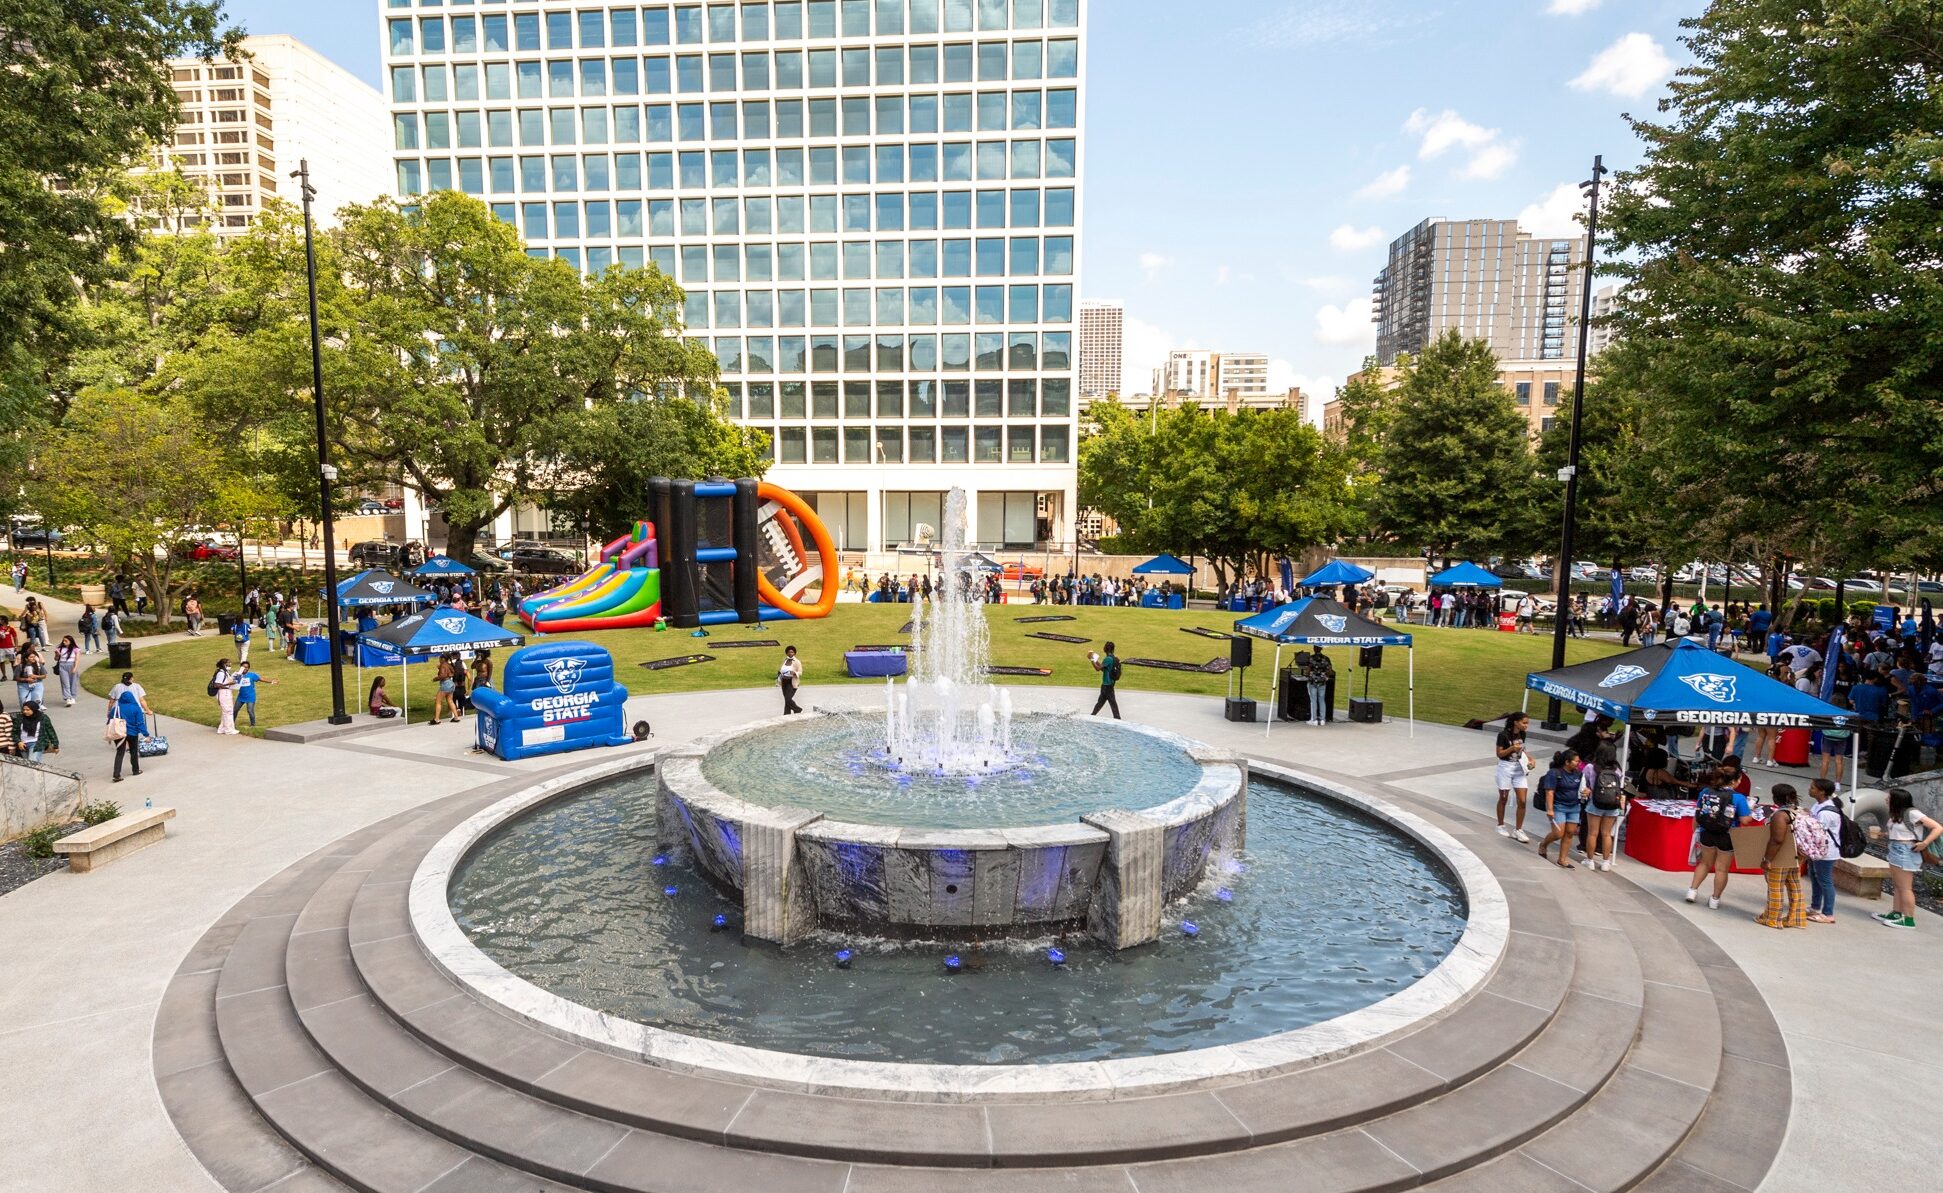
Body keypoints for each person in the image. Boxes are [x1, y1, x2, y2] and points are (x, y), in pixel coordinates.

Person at [1870, 788, 1941, 929]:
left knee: (1905, 887)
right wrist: (1885, 835)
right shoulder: (1897, 814)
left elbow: (1937, 827)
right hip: (1896, 849)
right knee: (1898, 885)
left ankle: (1908, 919)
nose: (1886, 799)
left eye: (1889, 797)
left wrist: (1924, 843)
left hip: (1906, 851)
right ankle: (1897, 913)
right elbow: (1902, 832)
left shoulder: (1913, 813)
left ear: (1897, 800)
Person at [1686, 767, 1752, 909]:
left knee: (1704, 863)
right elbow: (1745, 820)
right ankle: (1714, 900)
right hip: (1727, 835)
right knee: (1721, 869)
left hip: (1706, 832)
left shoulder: (1705, 792)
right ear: (1734, 781)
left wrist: (1695, 832)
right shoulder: (1738, 797)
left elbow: (1697, 814)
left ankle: (1692, 891)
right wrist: (1750, 812)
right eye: (1739, 779)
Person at [1754, 783, 1807, 929]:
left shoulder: (1780, 815)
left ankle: (1772, 918)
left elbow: (1777, 839)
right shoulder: (1801, 811)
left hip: (1782, 855)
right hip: (1798, 854)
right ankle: (1796, 918)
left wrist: (1767, 859)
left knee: (1775, 886)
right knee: (1794, 885)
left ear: (1776, 798)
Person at [1580, 742, 1628, 871]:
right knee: (1606, 834)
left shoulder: (1590, 767)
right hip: (1612, 804)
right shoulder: (1617, 770)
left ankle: (1589, 860)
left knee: (1592, 833)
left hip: (1594, 803)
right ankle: (1606, 862)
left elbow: (1585, 784)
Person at [1535, 749, 1584, 867]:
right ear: (1567, 762)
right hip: (1559, 806)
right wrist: (1550, 809)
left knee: (1570, 833)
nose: (1579, 763)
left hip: (1574, 807)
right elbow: (1550, 792)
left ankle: (1562, 859)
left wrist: (1587, 791)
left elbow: (1582, 788)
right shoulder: (1554, 773)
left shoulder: (1578, 774)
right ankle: (1544, 844)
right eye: (1576, 761)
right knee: (1558, 833)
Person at [1805, 778, 1843, 923]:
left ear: (1821, 792)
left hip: (1826, 851)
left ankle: (1828, 913)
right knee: (1815, 877)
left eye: (1813, 788)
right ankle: (1815, 906)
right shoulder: (1819, 804)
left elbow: (1817, 831)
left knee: (1825, 880)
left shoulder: (1826, 813)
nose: (1810, 789)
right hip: (1817, 849)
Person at [1494, 712, 1534, 843]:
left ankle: (1518, 829)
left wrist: (1530, 759)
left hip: (1519, 767)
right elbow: (1499, 754)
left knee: (1522, 800)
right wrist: (1511, 748)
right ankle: (1500, 825)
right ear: (1516, 722)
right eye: (1524, 722)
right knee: (1504, 797)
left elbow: (1522, 750)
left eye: (1527, 723)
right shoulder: (1503, 735)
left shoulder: (1522, 734)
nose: (1526, 725)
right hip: (1505, 767)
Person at [109, 680, 149, 781]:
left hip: (119, 733)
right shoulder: (136, 708)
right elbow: (140, 723)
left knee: (120, 752)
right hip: (132, 733)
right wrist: (146, 734)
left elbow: (110, 719)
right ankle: (135, 770)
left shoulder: (116, 708)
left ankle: (116, 775)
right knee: (133, 751)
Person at [12, 700, 59, 765]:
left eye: (28, 710)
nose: (25, 711)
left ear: (34, 710)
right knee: (26, 765)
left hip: (36, 744)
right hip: (22, 745)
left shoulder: (43, 718)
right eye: (24, 709)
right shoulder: (20, 718)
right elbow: (14, 732)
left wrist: (55, 745)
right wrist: (19, 742)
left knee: (32, 764)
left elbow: (51, 731)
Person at [1299, 645, 1333, 727]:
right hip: (1322, 682)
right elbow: (1330, 670)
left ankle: (1313, 719)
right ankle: (1322, 720)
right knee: (1322, 700)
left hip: (1312, 682)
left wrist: (1307, 675)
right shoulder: (1326, 658)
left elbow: (1308, 670)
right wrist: (1325, 676)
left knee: (1313, 701)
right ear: (1321, 648)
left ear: (1314, 648)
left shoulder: (1310, 658)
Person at [1088, 640, 1122, 719]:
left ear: (1105, 649)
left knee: (1112, 704)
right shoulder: (1113, 658)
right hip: (1110, 685)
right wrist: (1095, 661)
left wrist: (1092, 660)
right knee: (1100, 703)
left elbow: (1097, 668)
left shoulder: (1107, 659)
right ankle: (1092, 716)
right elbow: (1103, 669)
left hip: (1107, 686)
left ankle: (1118, 719)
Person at [210, 659, 240, 735]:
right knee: (228, 711)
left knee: (226, 711)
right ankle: (229, 730)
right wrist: (229, 683)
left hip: (227, 692)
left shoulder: (225, 672)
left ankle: (222, 729)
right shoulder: (221, 673)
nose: (230, 665)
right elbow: (217, 684)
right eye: (228, 663)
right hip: (223, 693)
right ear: (223, 664)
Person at [431, 654, 459, 724]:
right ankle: (456, 717)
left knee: (438, 701)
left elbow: (443, 675)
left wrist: (435, 679)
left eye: (440, 658)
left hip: (445, 684)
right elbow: (452, 672)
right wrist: (439, 668)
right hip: (451, 684)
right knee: (450, 701)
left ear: (443, 659)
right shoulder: (449, 664)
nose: (439, 660)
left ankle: (436, 719)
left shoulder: (443, 665)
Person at [53, 635, 79, 706]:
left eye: (66, 641)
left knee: (73, 682)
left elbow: (77, 659)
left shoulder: (75, 649)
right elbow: (56, 659)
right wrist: (57, 654)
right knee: (65, 683)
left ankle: (73, 697)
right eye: (63, 640)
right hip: (62, 666)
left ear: (70, 642)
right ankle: (68, 698)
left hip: (72, 665)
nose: (64, 642)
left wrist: (75, 668)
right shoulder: (60, 648)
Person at [779, 645, 805, 715]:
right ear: (786, 653)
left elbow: (800, 672)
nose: (790, 653)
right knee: (786, 700)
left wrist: (794, 673)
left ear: (794, 653)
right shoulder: (785, 660)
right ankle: (786, 714)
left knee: (788, 699)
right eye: (789, 652)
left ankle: (798, 709)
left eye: (792, 652)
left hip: (792, 682)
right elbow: (781, 669)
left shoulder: (797, 662)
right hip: (784, 682)